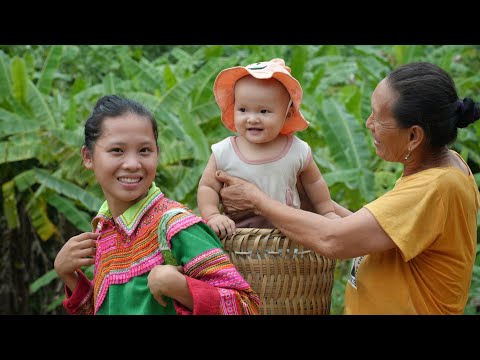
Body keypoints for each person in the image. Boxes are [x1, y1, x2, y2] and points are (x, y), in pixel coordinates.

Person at [214, 62, 480, 314]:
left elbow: (334, 240)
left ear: (413, 136)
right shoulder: (442, 167)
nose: (368, 124)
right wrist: (312, 204)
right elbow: (373, 233)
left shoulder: (435, 188)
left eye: (378, 118)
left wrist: (258, 200)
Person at [53, 95, 260, 315]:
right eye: (117, 151)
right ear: (88, 156)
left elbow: (246, 308)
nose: (133, 164)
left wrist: (181, 288)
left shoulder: (177, 227)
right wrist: (68, 275)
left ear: (157, 154)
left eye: (144, 150)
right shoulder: (106, 229)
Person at [197, 58, 338, 238]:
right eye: (243, 109)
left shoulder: (297, 150)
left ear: (287, 114)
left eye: (264, 111)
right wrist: (213, 215)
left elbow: (314, 183)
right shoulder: (225, 151)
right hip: (240, 238)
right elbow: (208, 187)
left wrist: (327, 212)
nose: (252, 118)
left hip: (290, 237)